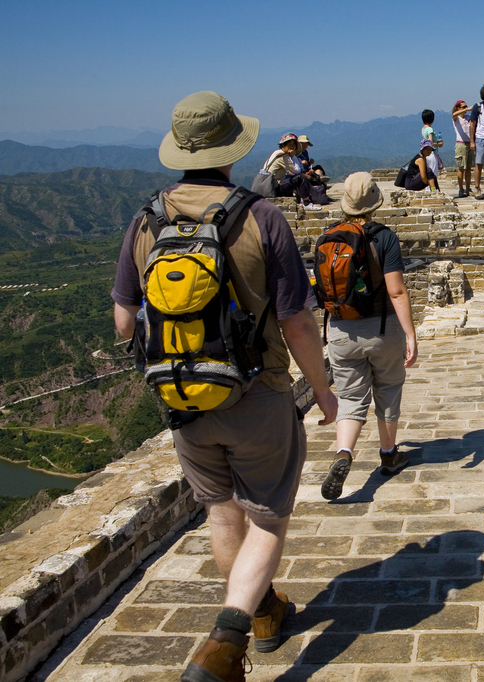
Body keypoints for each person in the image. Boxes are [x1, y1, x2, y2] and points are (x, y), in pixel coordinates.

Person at [111, 91, 338, 682]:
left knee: (220, 510)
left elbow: (124, 320)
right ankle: (226, 639)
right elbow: (297, 322)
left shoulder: (146, 220)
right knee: (267, 517)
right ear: (232, 150)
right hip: (256, 392)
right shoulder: (261, 217)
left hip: (182, 398)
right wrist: (324, 390)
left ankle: (265, 615)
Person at [320, 172, 418, 501]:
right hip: (381, 329)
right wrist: (410, 334)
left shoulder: (329, 236)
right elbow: (396, 290)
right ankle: (388, 453)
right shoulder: (384, 237)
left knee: (350, 399)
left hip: (340, 329)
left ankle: (344, 452)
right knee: (388, 389)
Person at [263, 133, 315, 206]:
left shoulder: (276, 153)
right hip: (274, 189)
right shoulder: (283, 156)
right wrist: (293, 156)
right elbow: (297, 170)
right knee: (301, 177)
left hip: (269, 186)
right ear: (283, 145)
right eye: (289, 144)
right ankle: (307, 203)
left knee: (292, 180)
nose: (292, 147)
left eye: (293, 144)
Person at [451, 100, 473, 197]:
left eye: (466, 106)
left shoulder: (468, 118)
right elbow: (454, 114)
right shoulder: (457, 118)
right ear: (458, 108)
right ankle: (461, 189)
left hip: (469, 143)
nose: (465, 109)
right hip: (461, 144)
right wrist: (467, 109)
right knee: (461, 168)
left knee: (468, 168)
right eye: (463, 107)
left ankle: (468, 188)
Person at [420, 109, 444, 181]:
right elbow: (430, 143)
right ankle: (432, 190)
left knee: (428, 173)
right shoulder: (430, 129)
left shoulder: (423, 129)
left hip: (425, 154)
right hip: (432, 153)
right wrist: (439, 144)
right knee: (433, 174)